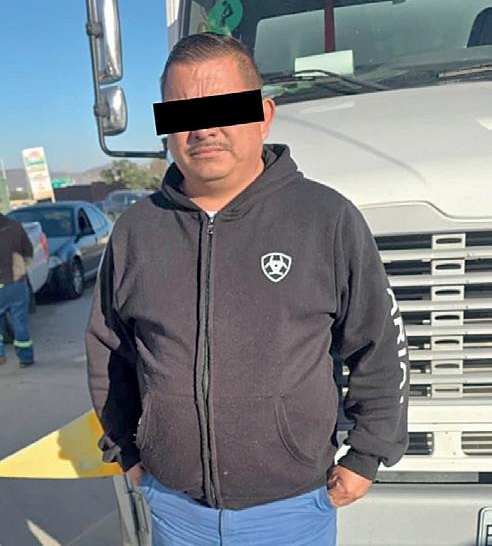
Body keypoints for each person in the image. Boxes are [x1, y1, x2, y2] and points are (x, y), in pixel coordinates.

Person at [86, 33, 409, 546]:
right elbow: (109, 350)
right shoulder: (136, 231)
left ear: (264, 114)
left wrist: (369, 453)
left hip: (293, 510)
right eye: (183, 113)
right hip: (173, 508)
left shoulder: (326, 218)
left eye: (224, 107)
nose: (203, 128)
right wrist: (126, 449)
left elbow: (379, 344)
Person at [0, 212, 34, 367]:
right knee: (20, 322)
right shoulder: (14, 226)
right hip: (16, 282)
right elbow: (28, 251)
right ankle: (25, 358)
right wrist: (22, 271)